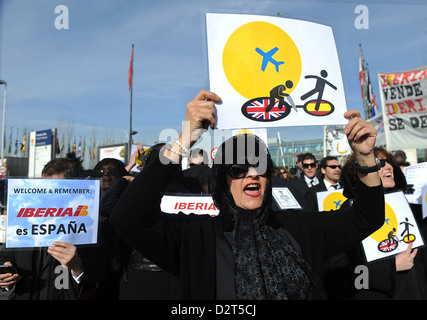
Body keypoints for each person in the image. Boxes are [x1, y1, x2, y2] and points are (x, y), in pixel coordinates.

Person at [110, 89, 384, 300]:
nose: (252, 174)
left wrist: (366, 157)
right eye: (239, 168)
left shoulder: (299, 227)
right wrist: (185, 138)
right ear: (222, 180)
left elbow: (367, 218)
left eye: (260, 166)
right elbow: (128, 218)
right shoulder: (197, 239)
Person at [0, 158, 98, 299]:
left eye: (57, 189)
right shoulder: (24, 219)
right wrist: (5, 272)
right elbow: (7, 254)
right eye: (44, 188)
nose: (48, 195)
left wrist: (77, 266)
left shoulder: (91, 223)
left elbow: (102, 270)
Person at [339, 147, 427, 300]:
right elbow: (342, 270)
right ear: (361, 171)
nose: (388, 166)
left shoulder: (408, 204)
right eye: (379, 162)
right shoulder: (349, 210)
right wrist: (391, 268)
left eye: (389, 162)